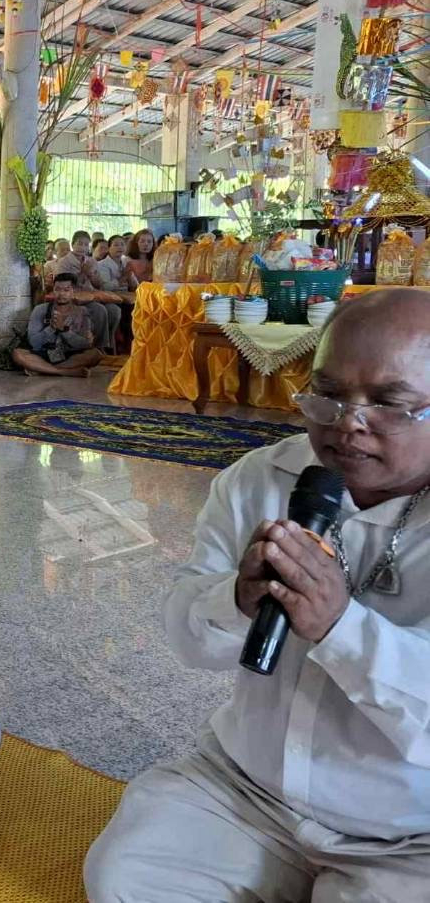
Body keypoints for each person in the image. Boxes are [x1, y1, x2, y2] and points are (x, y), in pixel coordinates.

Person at [86, 289, 430, 901]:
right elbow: (190, 643)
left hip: (408, 833)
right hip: (249, 787)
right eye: (327, 393)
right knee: (124, 876)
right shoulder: (259, 478)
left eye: (388, 403)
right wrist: (235, 600)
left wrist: (340, 627)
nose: (347, 423)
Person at [11, 273, 102, 377]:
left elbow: (84, 344)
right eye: (57, 289)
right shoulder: (40, 310)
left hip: (69, 355)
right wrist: (51, 329)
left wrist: (64, 330)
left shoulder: (82, 312)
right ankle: (65, 372)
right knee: (17, 354)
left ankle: (42, 369)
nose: (61, 294)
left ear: (74, 292)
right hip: (44, 354)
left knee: (96, 355)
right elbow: (34, 342)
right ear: (53, 290)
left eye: (66, 290)